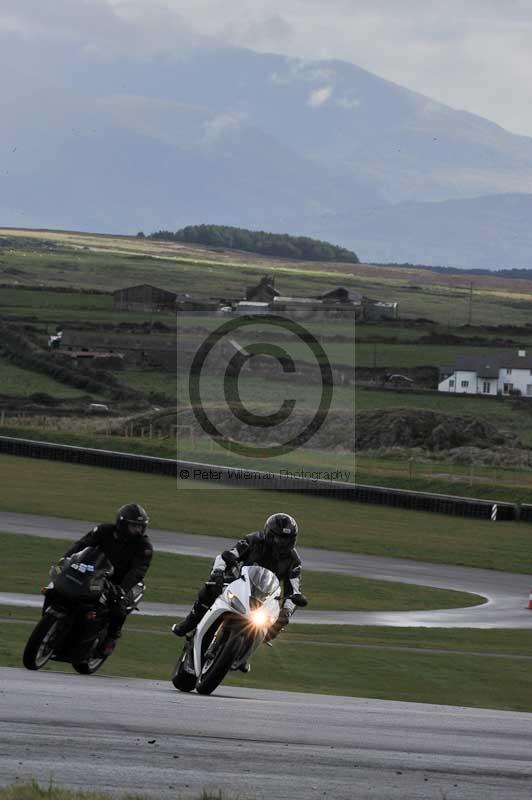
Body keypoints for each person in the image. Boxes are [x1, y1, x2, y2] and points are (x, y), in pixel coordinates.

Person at [172, 512, 306, 660]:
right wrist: (217, 572)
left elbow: (294, 591)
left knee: (278, 622)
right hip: (238, 583)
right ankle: (190, 621)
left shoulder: (294, 561)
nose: (281, 543)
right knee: (210, 588)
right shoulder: (253, 540)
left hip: (265, 598)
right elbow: (227, 555)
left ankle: (245, 652)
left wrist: (287, 610)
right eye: (278, 538)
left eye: (285, 540)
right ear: (269, 533)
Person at [61, 502, 153, 656]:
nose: (138, 530)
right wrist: (66, 558)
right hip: (93, 571)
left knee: (119, 607)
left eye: (140, 526)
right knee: (60, 586)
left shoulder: (144, 546)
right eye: (134, 526)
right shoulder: (104, 531)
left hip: (119, 582)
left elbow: (139, 570)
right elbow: (82, 544)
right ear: (122, 523)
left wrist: (122, 589)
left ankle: (111, 638)